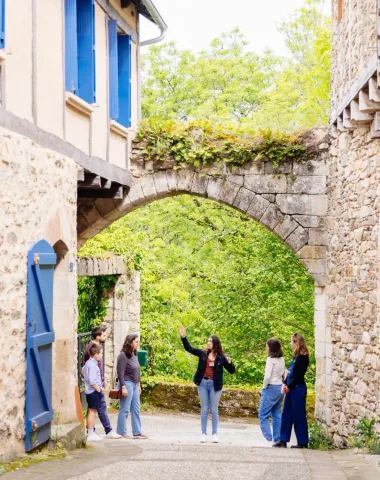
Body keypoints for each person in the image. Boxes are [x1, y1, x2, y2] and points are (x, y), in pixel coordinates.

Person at [179, 325, 235, 444]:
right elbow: (189, 348)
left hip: (215, 385)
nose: (209, 343)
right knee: (204, 409)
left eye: (211, 341)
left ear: (216, 343)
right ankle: (203, 433)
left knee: (214, 409)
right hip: (203, 383)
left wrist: (230, 363)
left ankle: (214, 434)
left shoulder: (221, 357)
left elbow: (231, 371)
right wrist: (183, 336)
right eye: (208, 341)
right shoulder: (203, 353)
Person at [273, 333, 310, 449]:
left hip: (297, 388)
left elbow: (298, 376)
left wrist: (289, 385)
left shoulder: (303, 358)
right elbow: (290, 374)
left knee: (299, 415)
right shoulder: (295, 357)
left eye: (292, 341)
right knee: (286, 413)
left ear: (297, 342)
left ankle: (302, 441)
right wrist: (285, 383)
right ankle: (283, 439)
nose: (290, 344)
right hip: (291, 387)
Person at [83, 326, 120, 439]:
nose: (105, 337)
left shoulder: (95, 348)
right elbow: (85, 369)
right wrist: (97, 387)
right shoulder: (91, 349)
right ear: (98, 337)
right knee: (99, 408)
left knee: (94, 409)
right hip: (95, 387)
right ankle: (105, 430)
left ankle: (92, 431)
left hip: (96, 385)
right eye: (103, 335)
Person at [116, 333, 148, 439]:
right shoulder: (123, 355)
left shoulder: (134, 354)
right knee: (125, 408)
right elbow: (120, 372)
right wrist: (123, 387)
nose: (138, 344)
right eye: (136, 342)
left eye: (138, 342)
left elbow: (137, 370)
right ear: (130, 342)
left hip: (134, 383)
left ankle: (137, 431)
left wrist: (138, 384)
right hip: (127, 382)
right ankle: (121, 431)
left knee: (136, 409)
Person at [258, 338, 286, 444]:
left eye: (267, 346)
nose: (266, 348)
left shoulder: (270, 360)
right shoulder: (281, 359)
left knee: (262, 414)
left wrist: (264, 387)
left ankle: (268, 436)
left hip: (271, 387)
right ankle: (277, 438)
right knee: (276, 414)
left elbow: (267, 376)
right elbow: (283, 373)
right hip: (280, 387)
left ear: (271, 348)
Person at [83, 344, 104, 442]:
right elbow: (92, 381)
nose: (101, 355)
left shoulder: (88, 363)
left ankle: (91, 432)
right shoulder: (92, 365)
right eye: (100, 353)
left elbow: (83, 371)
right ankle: (90, 433)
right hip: (93, 391)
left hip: (90, 391)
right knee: (92, 412)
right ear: (95, 354)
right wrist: (99, 390)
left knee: (92, 411)